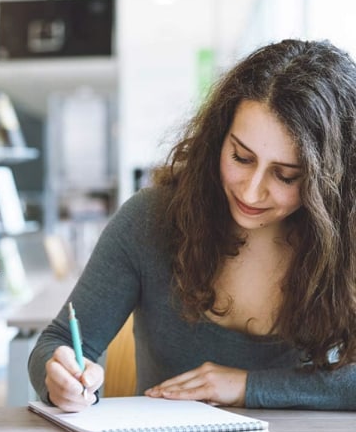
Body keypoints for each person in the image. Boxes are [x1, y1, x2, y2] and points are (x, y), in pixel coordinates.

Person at [28, 38, 356, 413]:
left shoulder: (347, 240)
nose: (251, 191)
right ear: (218, 139)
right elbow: (56, 343)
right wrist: (61, 380)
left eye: (285, 176)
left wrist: (245, 386)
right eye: (241, 157)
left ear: (332, 183)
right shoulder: (151, 220)